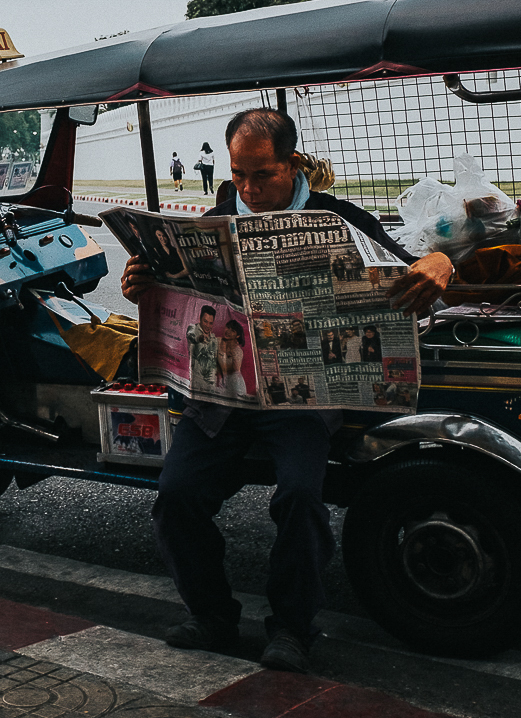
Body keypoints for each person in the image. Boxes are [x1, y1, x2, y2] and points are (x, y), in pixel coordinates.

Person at [121, 107, 452, 673]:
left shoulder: (337, 218)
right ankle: (212, 615)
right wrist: (143, 285)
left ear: (293, 163)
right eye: (238, 175)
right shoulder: (217, 217)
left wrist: (441, 262)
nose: (248, 188)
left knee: (299, 499)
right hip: (221, 397)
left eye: (262, 175)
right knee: (176, 498)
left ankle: (293, 629)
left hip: (301, 400)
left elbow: (408, 274)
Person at [186, 305, 219, 392]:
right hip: (195, 381)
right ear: (200, 319)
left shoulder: (214, 339)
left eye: (211, 323)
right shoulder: (193, 328)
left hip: (211, 383)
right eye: (205, 321)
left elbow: (214, 361)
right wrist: (199, 339)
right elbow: (191, 336)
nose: (208, 325)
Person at [217, 320, 252, 399]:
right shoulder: (218, 341)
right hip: (222, 381)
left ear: (237, 336)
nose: (228, 331)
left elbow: (235, 369)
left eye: (232, 331)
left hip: (235, 385)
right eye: (228, 327)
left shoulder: (237, 350)